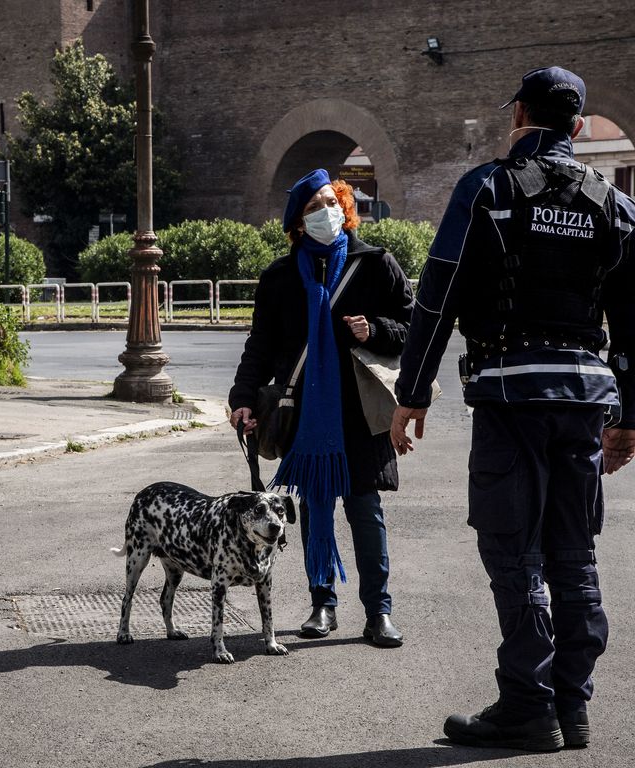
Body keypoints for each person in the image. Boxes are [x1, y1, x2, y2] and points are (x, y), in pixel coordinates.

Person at [391, 66, 635, 751]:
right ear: (579, 128)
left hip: (510, 396)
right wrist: (629, 415)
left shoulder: (487, 190)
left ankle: (529, 706)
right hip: (585, 402)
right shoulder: (613, 206)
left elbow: (437, 296)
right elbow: (633, 323)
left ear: (519, 115)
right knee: (573, 552)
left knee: (514, 548)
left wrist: (411, 394)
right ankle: (572, 706)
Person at [229, 169, 414, 647]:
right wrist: (243, 399)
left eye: (331, 202)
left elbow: (414, 328)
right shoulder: (280, 277)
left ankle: (379, 612)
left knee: (365, 509)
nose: (326, 212)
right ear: (297, 223)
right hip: (305, 412)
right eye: (313, 208)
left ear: (345, 206)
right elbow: (261, 345)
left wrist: (375, 330)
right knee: (313, 508)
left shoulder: (375, 264)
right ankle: (322, 604)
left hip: (362, 412)